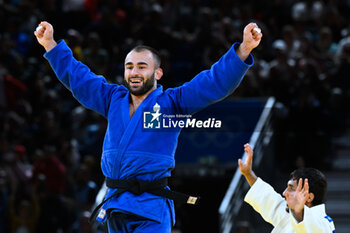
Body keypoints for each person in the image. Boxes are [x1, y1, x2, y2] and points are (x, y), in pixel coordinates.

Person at [34, 21, 262, 233]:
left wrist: (243, 50)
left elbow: (212, 83)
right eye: (129, 67)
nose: (134, 72)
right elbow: (80, 79)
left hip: (151, 206)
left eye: (142, 67)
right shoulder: (113, 98)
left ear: (158, 73)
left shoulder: (173, 103)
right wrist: (51, 46)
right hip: (116, 203)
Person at [238, 144, 336, 232]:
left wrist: (298, 212)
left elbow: (309, 228)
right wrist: (248, 174)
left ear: (309, 197)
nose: (284, 193)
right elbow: (268, 198)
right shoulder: (289, 214)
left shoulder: (323, 224)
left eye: (291, 188)